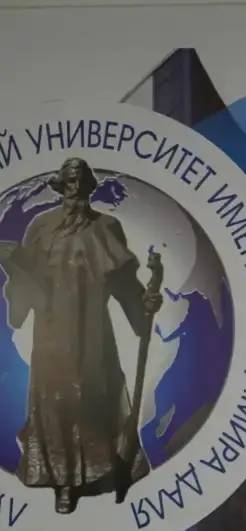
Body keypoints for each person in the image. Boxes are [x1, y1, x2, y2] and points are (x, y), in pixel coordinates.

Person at [0, 158, 162, 513]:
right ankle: (64, 482)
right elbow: (25, 281)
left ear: (89, 187)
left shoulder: (107, 227)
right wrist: (15, 273)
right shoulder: (40, 227)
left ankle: (105, 471)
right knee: (56, 403)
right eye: (69, 182)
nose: (75, 189)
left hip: (93, 333)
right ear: (61, 187)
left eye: (80, 182)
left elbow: (124, 282)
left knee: (94, 399)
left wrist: (144, 305)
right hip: (51, 334)